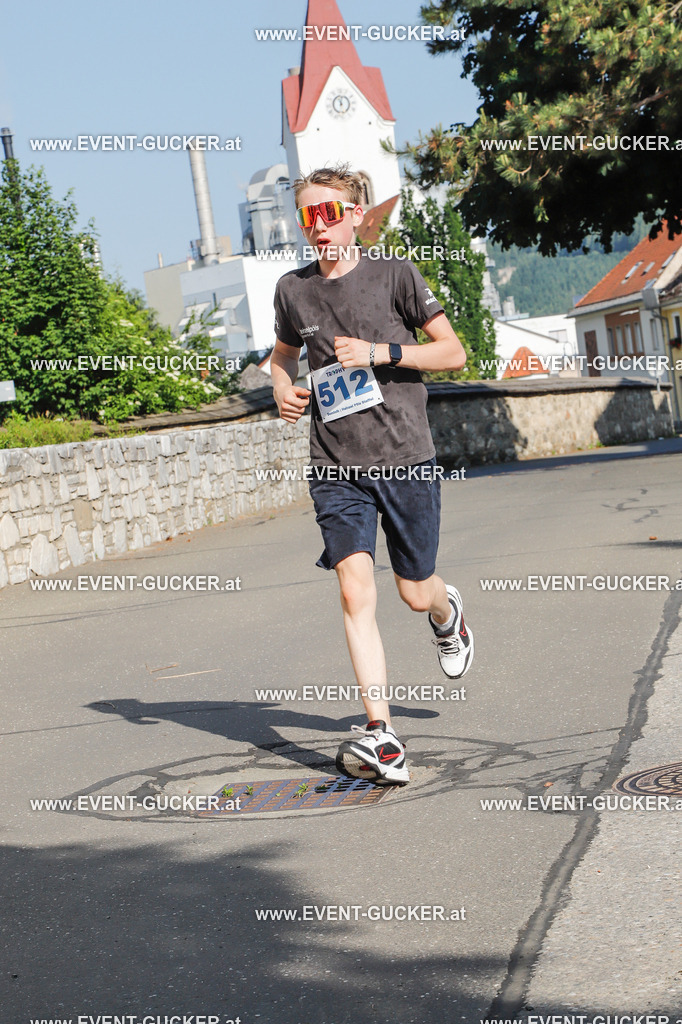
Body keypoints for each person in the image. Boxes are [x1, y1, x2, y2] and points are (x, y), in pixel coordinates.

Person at [270, 164, 473, 785]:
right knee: (356, 592)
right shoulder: (292, 290)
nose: (319, 226)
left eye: (331, 213)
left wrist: (383, 353)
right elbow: (279, 359)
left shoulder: (394, 276)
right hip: (335, 464)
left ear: (356, 215)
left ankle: (447, 612)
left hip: (405, 457)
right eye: (309, 215)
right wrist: (282, 389)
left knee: (415, 592)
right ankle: (382, 734)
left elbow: (454, 352)